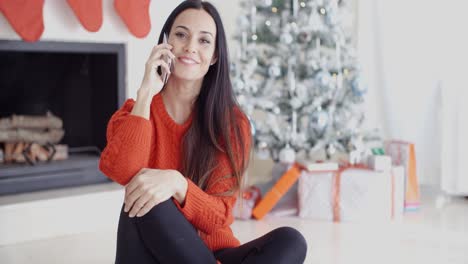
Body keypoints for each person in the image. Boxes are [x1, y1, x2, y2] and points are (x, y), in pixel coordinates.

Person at [99, 1, 307, 263]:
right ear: (166, 43)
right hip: (153, 254)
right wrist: (144, 94)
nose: (191, 47)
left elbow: (219, 217)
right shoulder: (136, 111)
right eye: (181, 35)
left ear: (215, 57)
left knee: (290, 241)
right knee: (148, 195)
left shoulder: (231, 123)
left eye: (204, 40)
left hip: (216, 253)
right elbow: (122, 170)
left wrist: (177, 183)